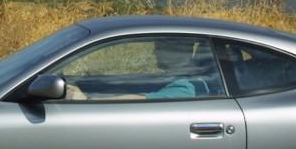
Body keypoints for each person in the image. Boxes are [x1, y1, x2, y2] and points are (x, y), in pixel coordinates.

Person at [65, 37, 211, 100]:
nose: (154, 52)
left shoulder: (186, 87)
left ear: (178, 50)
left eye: (159, 47)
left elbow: (141, 100)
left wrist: (87, 100)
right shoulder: (177, 79)